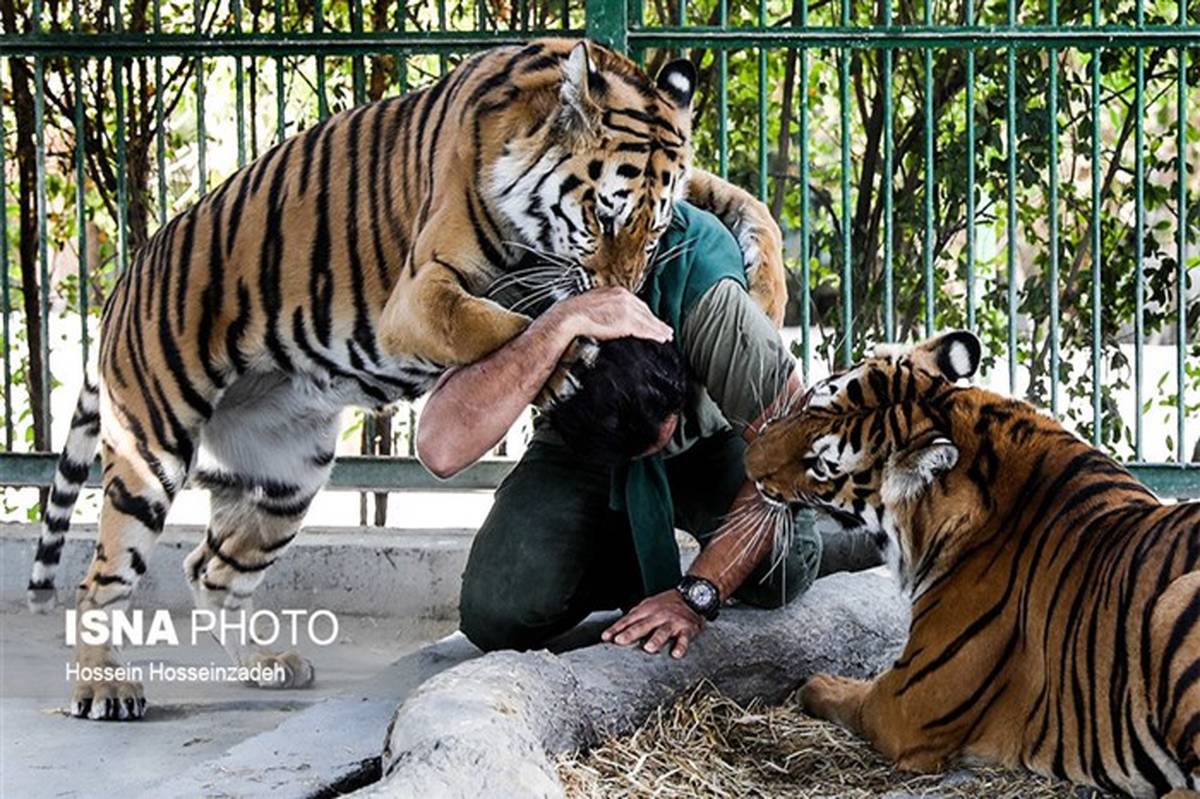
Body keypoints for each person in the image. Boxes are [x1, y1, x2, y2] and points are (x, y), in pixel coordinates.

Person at [417, 201, 822, 659]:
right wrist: (558, 325)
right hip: (582, 452)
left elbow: (795, 443)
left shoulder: (706, 290)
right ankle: (607, 551)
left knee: (782, 570)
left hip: (708, 442)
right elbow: (439, 448)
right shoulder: (524, 272)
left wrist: (700, 591)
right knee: (499, 612)